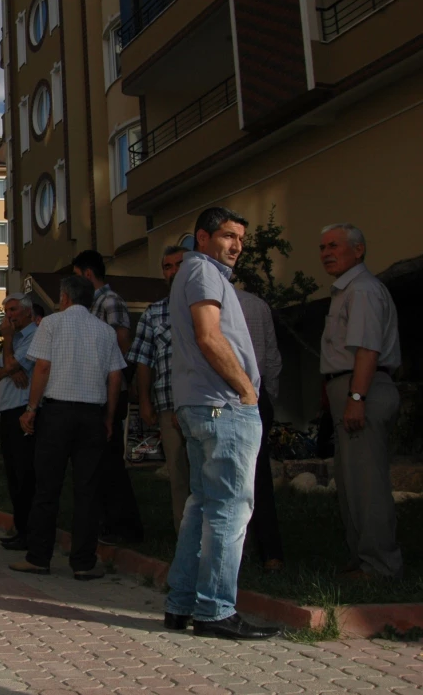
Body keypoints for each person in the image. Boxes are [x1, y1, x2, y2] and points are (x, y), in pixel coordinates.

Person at [165, 207, 278, 640]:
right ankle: (214, 611)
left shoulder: (192, 273)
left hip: (200, 406)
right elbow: (208, 336)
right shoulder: (204, 272)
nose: (236, 246)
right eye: (228, 236)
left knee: (202, 506)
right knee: (230, 509)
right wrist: (246, 390)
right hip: (222, 405)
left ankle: (181, 605)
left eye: (241, 240)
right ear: (202, 237)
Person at [8, 275, 126, 581]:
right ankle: (83, 562)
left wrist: (31, 409)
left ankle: (39, 557)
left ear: (64, 298)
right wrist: (109, 418)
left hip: (57, 413)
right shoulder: (105, 331)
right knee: (87, 491)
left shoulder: (51, 324)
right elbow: (115, 377)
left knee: (47, 488)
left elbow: (42, 368)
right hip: (92, 415)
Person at [319, 223, 403, 580]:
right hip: (352, 388)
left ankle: (380, 565)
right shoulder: (346, 291)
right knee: (352, 482)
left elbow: (367, 350)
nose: (326, 253)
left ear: (359, 250)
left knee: (367, 484)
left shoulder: (364, 290)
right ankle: (361, 561)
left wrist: (356, 397)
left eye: (334, 245)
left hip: (363, 389)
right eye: (322, 247)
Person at [72, 249, 144, 545]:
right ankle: (107, 523)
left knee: (111, 462)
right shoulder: (92, 305)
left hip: (109, 389)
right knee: (98, 463)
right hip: (94, 391)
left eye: (77, 277)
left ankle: (126, 527)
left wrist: (106, 373)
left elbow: (122, 342)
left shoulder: (109, 301)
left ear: (88, 275)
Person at [129, 246, 186, 532]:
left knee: (212, 473)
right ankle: (186, 541)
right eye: (167, 266)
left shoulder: (207, 304)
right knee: (179, 475)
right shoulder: (154, 312)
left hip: (207, 404)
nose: (173, 271)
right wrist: (146, 402)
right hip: (168, 404)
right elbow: (143, 360)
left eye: (179, 264)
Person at [235, 286, 285, 573]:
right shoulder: (258, 305)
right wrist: (267, 398)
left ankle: (234, 556)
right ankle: (271, 554)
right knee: (259, 474)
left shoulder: (209, 304)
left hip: (225, 399)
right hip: (258, 394)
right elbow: (273, 359)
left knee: (226, 475)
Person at [0, 293, 39, 552]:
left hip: (23, 410)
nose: (9, 315)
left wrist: (8, 342)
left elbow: (10, 365)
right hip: (7, 410)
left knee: (25, 473)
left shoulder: (33, 336)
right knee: (13, 474)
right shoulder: (14, 340)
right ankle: (21, 529)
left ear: (28, 312)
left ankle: (30, 531)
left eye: (14, 310)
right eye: (7, 310)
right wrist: (11, 368)